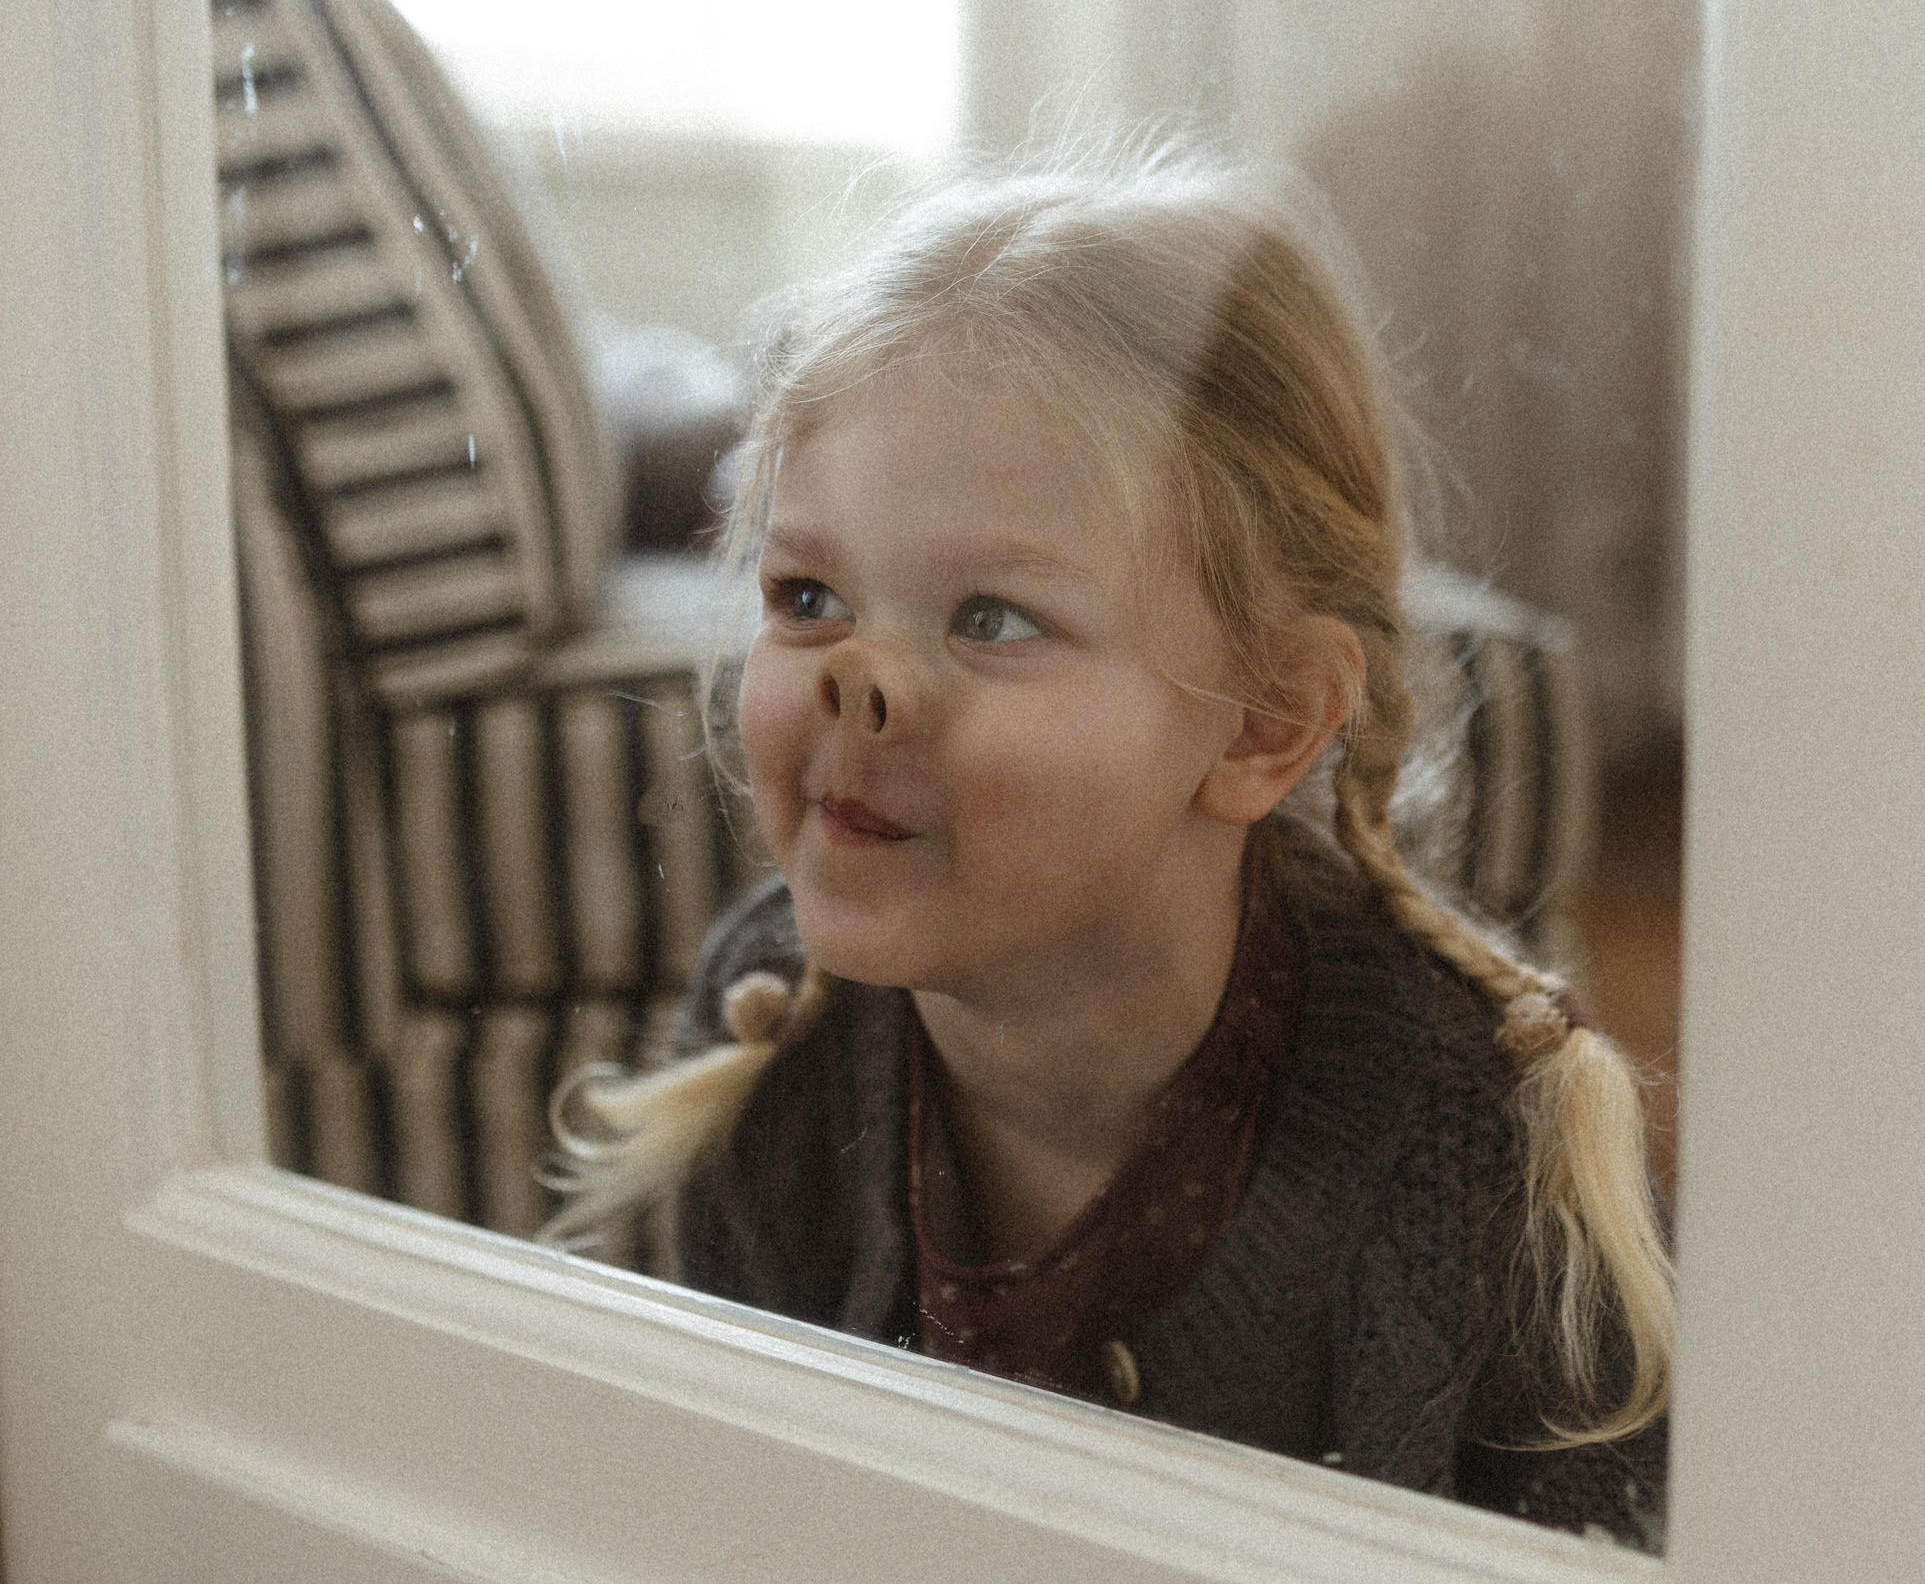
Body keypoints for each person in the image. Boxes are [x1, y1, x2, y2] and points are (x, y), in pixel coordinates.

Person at [541, 142, 1671, 1546]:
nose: (858, 677)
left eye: (992, 617)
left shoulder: (1465, 1158)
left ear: (1265, 719)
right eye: (809, 591)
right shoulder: (780, 1030)